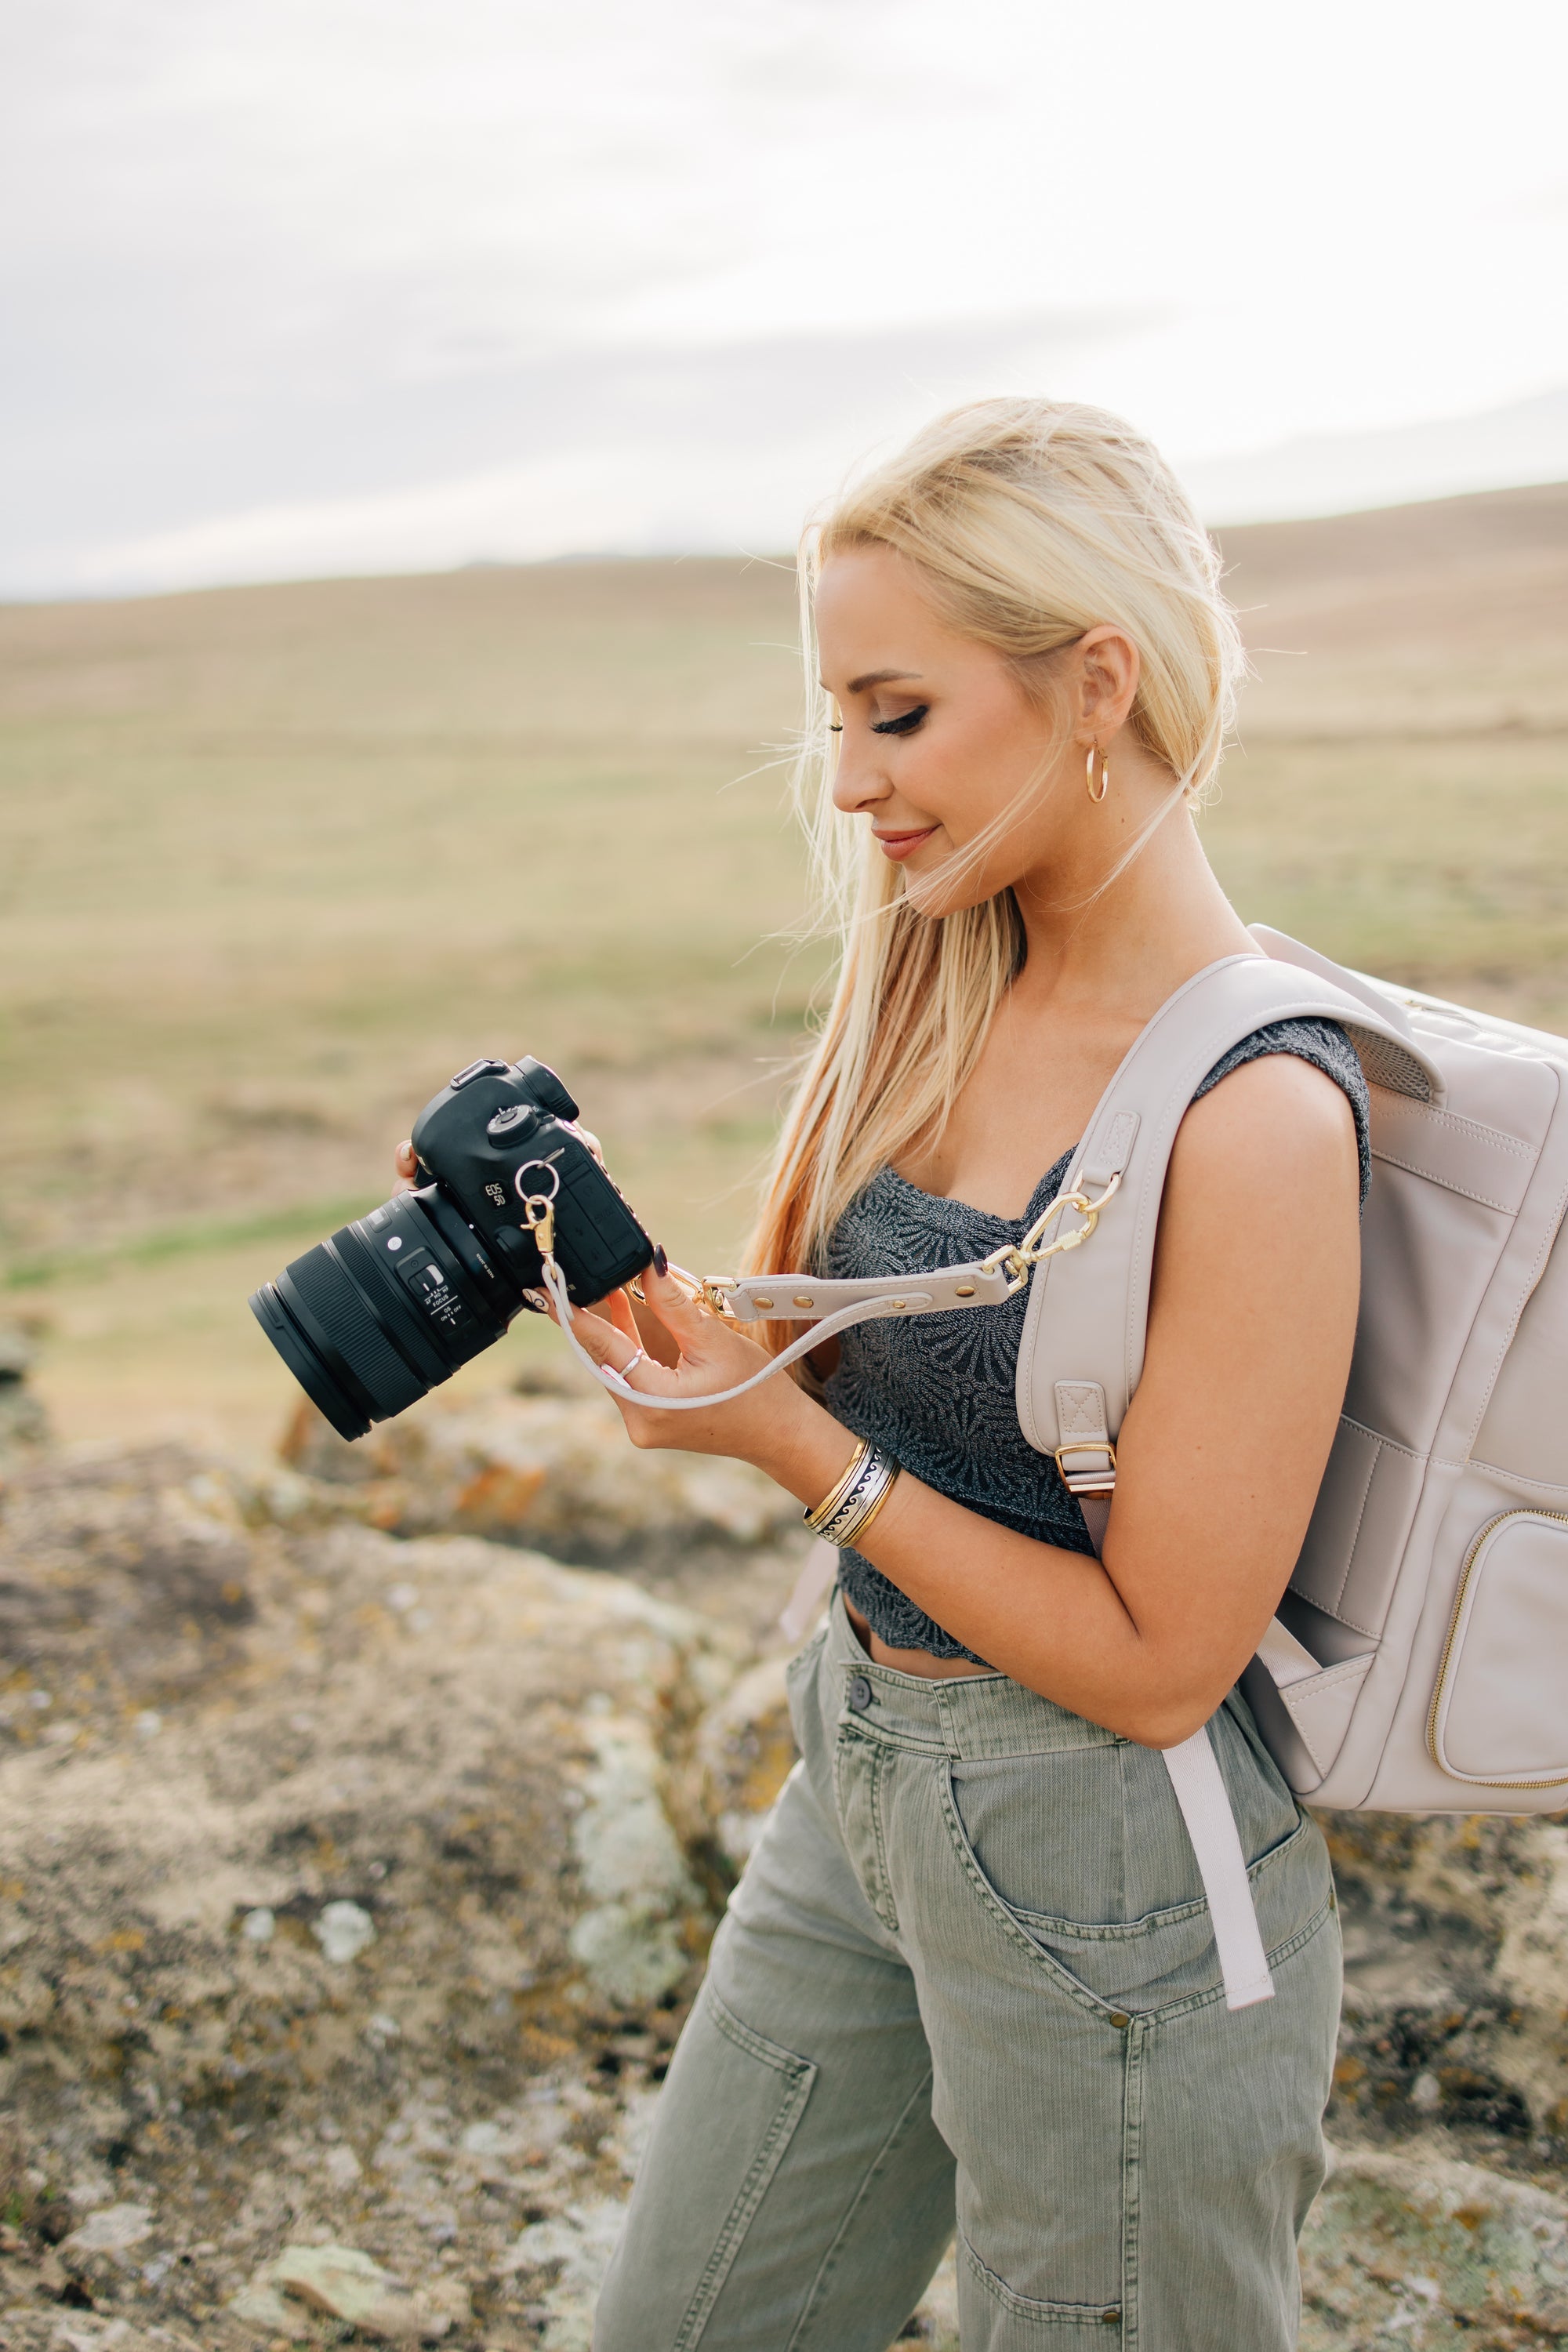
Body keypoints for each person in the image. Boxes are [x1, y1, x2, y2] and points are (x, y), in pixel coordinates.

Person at [413, 400, 1363, 2349]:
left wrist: (790, 1457)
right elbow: (833, 1373)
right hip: (859, 1772)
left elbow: (1160, 1661)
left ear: (1094, 681)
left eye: (896, 713)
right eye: (831, 716)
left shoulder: (1255, 1115)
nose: (847, 780)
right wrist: (608, 1288)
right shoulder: (949, 973)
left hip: (1117, 1870)